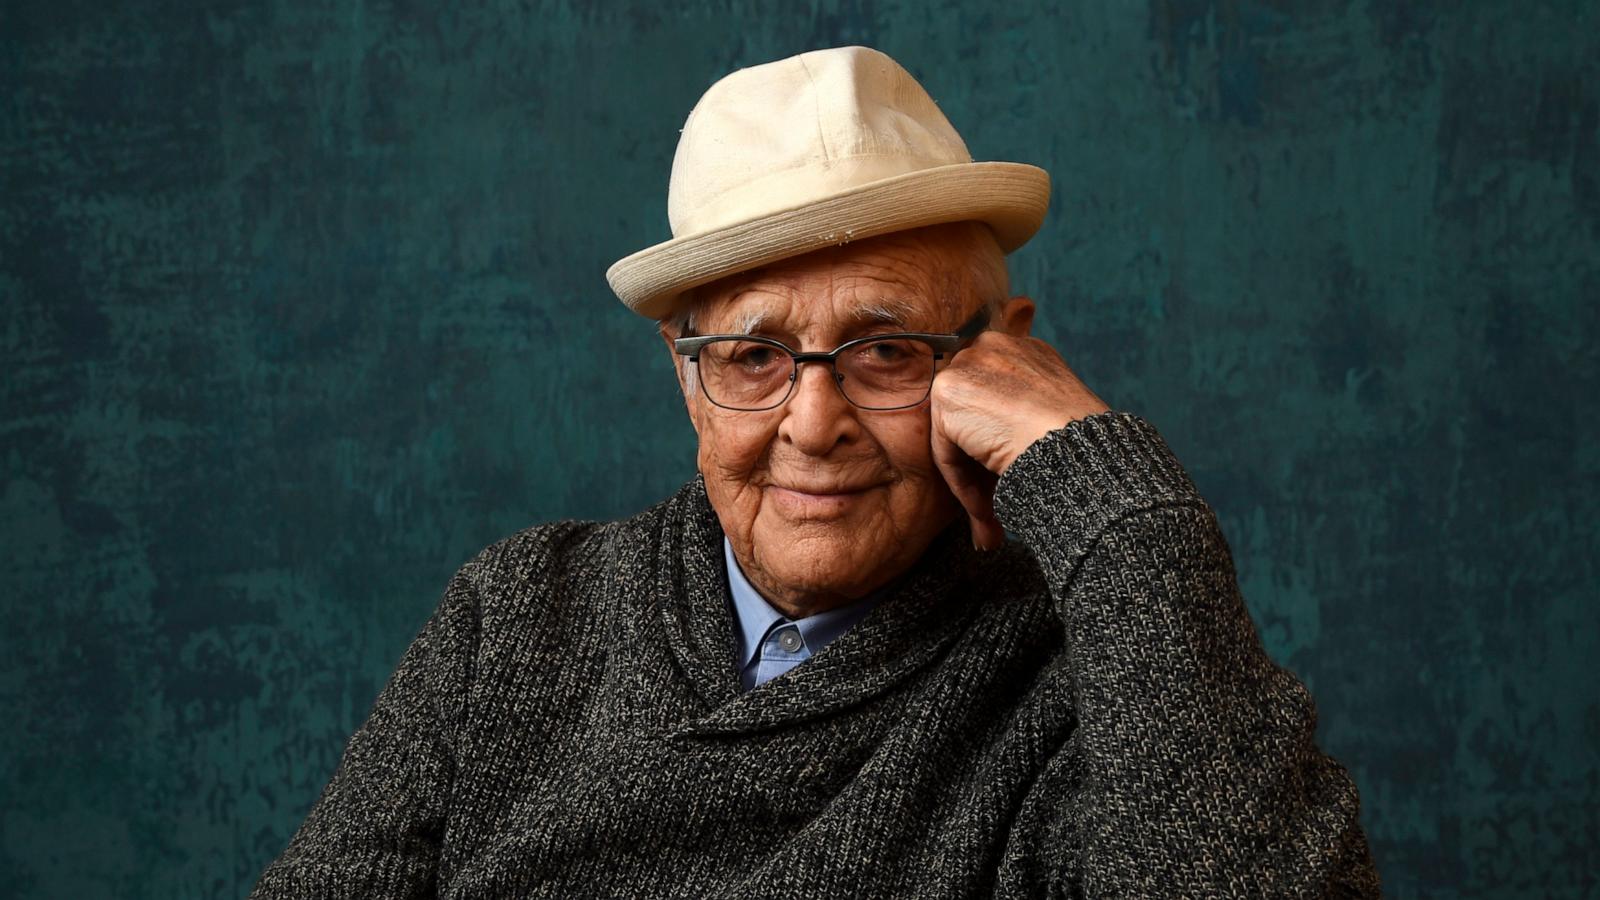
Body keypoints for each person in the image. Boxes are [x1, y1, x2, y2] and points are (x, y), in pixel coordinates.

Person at [250, 46, 1380, 897]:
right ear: (684, 374)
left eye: (885, 350)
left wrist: (1113, 502)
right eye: (752, 355)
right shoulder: (518, 612)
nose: (812, 419)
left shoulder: (1101, 667)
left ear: (1004, 357)